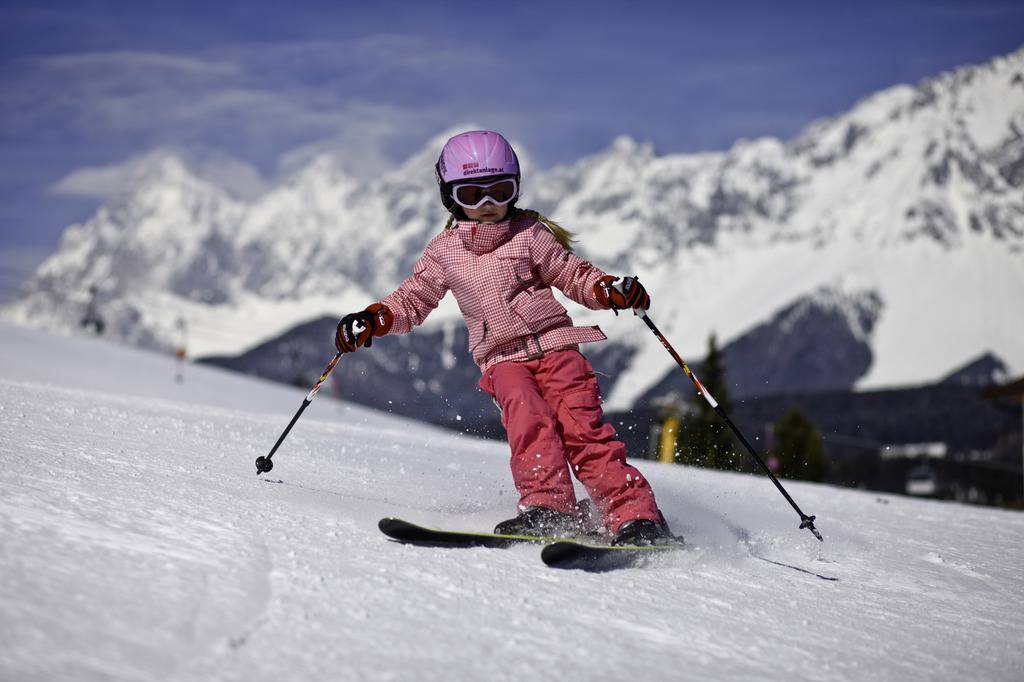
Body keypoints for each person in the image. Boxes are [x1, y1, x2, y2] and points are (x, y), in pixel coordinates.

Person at [336, 130, 673, 545]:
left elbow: (573, 275)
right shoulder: (444, 252)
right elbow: (415, 297)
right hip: (501, 360)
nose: (487, 204)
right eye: (472, 194)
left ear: (515, 189)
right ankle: (549, 508)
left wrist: (609, 290)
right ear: (450, 197)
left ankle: (635, 516)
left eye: (499, 190)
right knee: (529, 425)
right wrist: (375, 319)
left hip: (555, 347)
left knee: (582, 430)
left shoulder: (529, 235)